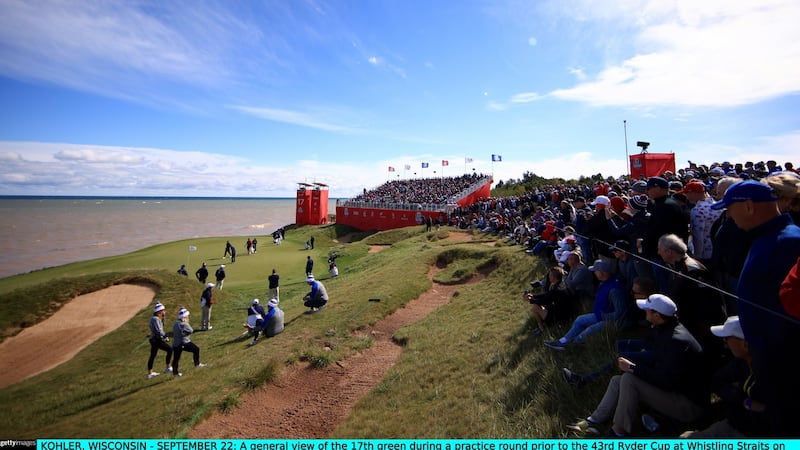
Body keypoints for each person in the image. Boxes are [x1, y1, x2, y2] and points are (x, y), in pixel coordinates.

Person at [710, 179, 800, 436]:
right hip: (768, 356)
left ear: (749, 206)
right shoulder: (769, 236)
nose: (727, 215)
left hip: (784, 361)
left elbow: (791, 310)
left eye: (729, 208)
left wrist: (768, 345)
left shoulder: (788, 242)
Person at [566, 294, 708, 437]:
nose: (644, 312)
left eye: (648, 310)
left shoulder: (676, 342)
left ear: (657, 315)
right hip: (676, 392)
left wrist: (633, 368)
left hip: (688, 405)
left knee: (629, 380)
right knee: (618, 380)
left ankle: (617, 432)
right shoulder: (666, 330)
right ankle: (594, 421)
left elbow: (667, 381)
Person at [680, 316, 768, 438]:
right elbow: (718, 380)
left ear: (745, 344)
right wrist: (744, 400)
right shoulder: (741, 362)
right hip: (735, 424)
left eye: (728, 338)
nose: (725, 342)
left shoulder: (770, 375)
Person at [544, 259, 626, 350]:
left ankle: (571, 346)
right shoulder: (604, 283)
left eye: (595, 271)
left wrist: (604, 317)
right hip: (600, 315)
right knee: (580, 320)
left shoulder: (614, 290)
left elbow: (620, 312)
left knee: (589, 330)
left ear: (602, 273)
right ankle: (562, 341)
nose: (594, 273)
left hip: (610, 320)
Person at [524, 266, 574, 335]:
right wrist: (533, 296)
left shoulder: (556, 290)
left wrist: (531, 300)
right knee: (539, 305)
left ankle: (541, 329)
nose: (549, 277)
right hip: (564, 312)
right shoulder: (561, 284)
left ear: (554, 277)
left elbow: (544, 301)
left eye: (550, 275)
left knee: (535, 307)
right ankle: (543, 326)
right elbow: (547, 296)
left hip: (560, 317)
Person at [172, 308, 205, 377]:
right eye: (187, 317)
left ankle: (175, 373)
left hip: (175, 344)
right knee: (196, 349)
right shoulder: (184, 324)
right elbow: (191, 330)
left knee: (176, 358)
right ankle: (197, 364)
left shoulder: (175, 324)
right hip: (184, 342)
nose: (188, 318)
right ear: (184, 317)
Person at [146, 302, 173, 379]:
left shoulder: (154, 318)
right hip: (156, 340)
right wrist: (165, 336)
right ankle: (168, 367)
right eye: (163, 310)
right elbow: (159, 330)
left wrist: (164, 317)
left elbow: (161, 326)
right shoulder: (156, 319)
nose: (164, 311)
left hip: (154, 339)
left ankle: (150, 373)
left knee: (153, 355)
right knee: (170, 350)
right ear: (159, 311)